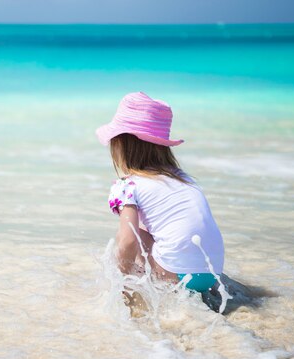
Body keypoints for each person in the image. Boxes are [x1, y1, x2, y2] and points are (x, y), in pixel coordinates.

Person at [95, 92, 225, 307]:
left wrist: (123, 286)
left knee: (133, 234)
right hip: (212, 274)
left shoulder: (128, 185)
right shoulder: (185, 180)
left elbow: (128, 240)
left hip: (175, 274)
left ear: (120, 144)